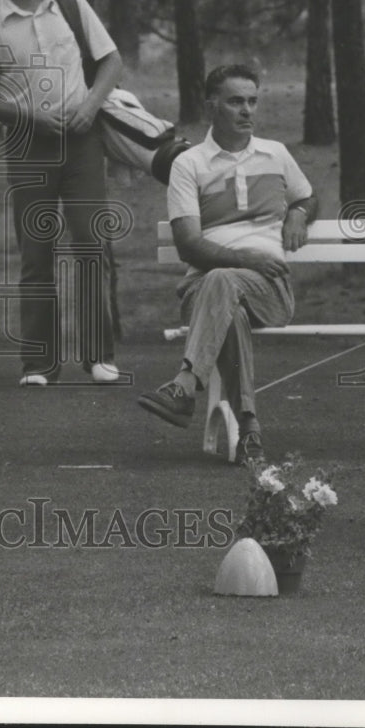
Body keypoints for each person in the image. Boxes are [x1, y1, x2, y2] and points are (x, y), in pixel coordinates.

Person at [0, 0, 124, 387]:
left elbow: (111, 60)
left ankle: (99, 355)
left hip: (82, 142)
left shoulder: (70, 3)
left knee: (91, 244)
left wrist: (90, 105)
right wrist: (29, 117)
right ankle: (38, 364)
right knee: (37, 254)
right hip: (27, 148)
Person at [137, 64, 317, 463]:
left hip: (269, 290)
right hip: (204, 292)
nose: (247, 110)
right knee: (223, 292)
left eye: (252, 101)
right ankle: (249, 427)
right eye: (236, 101)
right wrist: (243, 258)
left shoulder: (276, 154)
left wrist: (299, 214)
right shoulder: (190, 164)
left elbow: (307, 196)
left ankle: (185, 385)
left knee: (224, 282)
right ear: (212, 106)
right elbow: (188, 246)